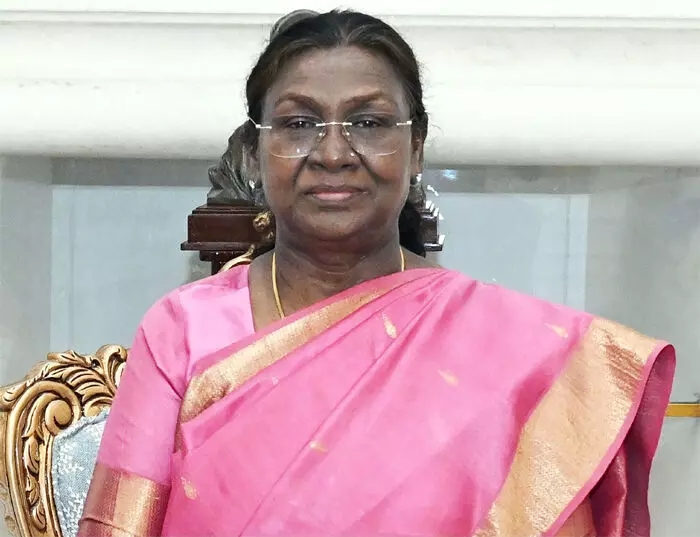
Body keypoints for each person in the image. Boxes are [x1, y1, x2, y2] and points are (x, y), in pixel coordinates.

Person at [78, 9, 675, 537]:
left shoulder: (514, 356)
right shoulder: (182, 330)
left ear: (416, 150)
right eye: (298, 124)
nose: (333, 153)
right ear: (254, 155)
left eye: (368, 123)